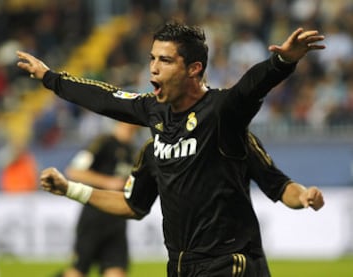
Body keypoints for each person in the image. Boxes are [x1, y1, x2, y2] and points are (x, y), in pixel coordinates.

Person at [18, 22, 325, 276]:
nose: (153, 69)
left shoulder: (222, 115)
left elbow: (251, 89)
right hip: (180, 267)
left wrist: (282, 62)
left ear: (194, 68)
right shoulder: (156, 135)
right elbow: (131, 203)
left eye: (164, 61)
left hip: (230, 264)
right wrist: (69, 188)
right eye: (152, 59)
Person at [58, 121, 139, 277]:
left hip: (117, 217)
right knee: (78, 270)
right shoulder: (102, 143)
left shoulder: (133, 150)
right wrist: (107, 182)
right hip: (94, 216)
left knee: (116, 272)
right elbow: (74, 171)